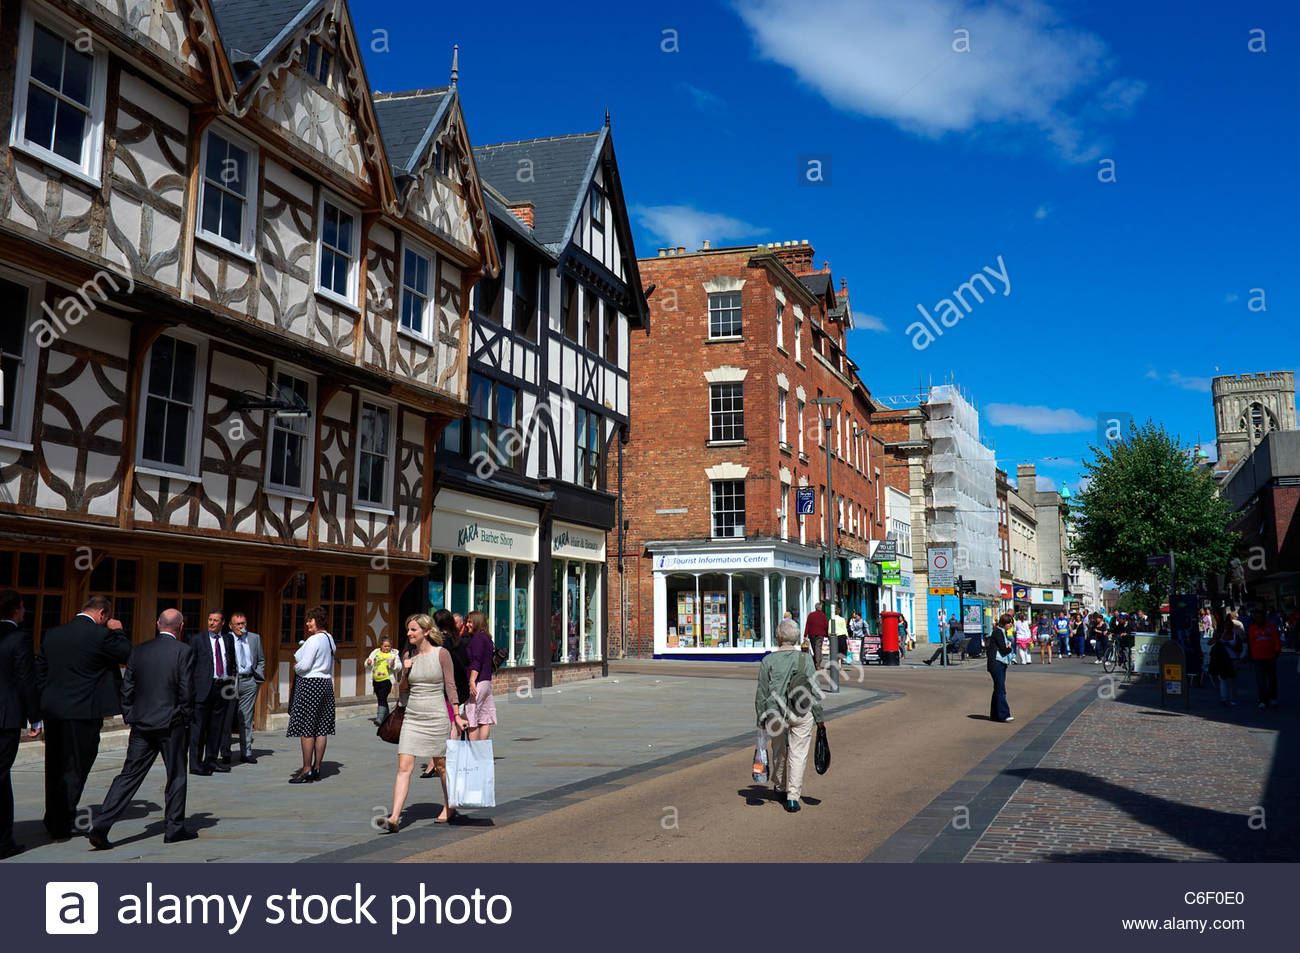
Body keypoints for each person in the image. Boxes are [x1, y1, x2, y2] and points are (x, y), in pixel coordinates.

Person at [87, 609, 197, 848]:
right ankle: (174, 828)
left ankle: (101, 824)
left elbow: (127, 688)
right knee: (176, 775)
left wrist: (130, 715)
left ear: (158, 624)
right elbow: (187, 690)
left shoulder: (139, 650)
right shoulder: (184, 651)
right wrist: (184, 716)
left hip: (142, 724)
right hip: (171, 724)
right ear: (180, 627)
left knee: (129, 775)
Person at [35, 595, 131, 840]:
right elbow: (126, 653)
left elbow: (41, 672)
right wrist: (118, 631)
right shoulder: (102, 635)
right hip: (83, 712)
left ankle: (53, 816)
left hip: (54, 711)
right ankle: (62, 822)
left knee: (54, 765)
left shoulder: (53, 633)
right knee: (76, 767)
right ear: (102, 614)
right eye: (106, 618)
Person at [380, 615, 468, 832]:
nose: (409, 633)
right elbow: (402, 690)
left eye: (413, 630)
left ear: (426, 631)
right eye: (408, 630)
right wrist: (405, 671)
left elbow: (450, 686)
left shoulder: (442, 654)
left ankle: (450, 806)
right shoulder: (408, 656)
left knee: (441, 766)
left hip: (437, 716)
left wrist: (456, 715)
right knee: (404, 767)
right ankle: (394, 817)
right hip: (413, 717)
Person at [755, 618, 824, 813]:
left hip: (775, 713)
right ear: (794, 639)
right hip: (802, 712)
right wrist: (820, 719)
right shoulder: (806, 659)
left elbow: (761, 693)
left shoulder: (768, 661)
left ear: (779, 637)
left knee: (779, 751)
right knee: (798, 753)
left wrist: (761, 718)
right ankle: (793, 797)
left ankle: (780, 786)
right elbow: (815, 691)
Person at [0, 590, 41, 858]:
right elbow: (26, 681)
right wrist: (34, 717)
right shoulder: (19, 638)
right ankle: (3, 841)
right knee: (2, 777)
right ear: (16, 610)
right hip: (5, 717)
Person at [287, 606, 336, 783]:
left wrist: (295, 667)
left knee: (307, 728)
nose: (307, 623)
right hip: (325, 683)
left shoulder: (314, 640)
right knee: (321, 727)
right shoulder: (329, 639)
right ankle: (317, 767)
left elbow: (304, 665)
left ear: (318, 620)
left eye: (310, 620)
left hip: (310, 683)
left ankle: (306, 768)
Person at [190, 609, 236, 776]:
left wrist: (230, 688)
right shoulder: (198, 640)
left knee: (216, 727)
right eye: (210, 619)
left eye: (215, 620)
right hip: (203, 689)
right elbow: (191, 665)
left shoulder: (227, 639)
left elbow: (231, 663)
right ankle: (195, 764)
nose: (211, 623)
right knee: (198, 728)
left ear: (222, 623)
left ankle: (211, 760)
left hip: (222, 687)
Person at [228, 612, 264, 765]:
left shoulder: (254, 638)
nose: (241, 627)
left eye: (243, 623)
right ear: (231, 626)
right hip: (231, 682)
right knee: (227, 718)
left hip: (249, 681)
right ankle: (225, 752)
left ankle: (246, 752)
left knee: (246, 717)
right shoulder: (227, 639)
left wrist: (258, 676)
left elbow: (261, 659)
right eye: (238, 624)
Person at [464, 610, 497, 741]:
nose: (467, 624)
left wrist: (472, 680)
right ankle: (482, 753)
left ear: (477, 622)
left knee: (472, 718)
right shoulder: (487, 639)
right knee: (484, 718)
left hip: (478, 682)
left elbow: (477, 661)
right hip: (486, 682)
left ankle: (474, 754)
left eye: (470, 622)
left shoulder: (477, 639)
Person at [1247, 607, 1282, 709]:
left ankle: (1273, 698)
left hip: (1270, 656)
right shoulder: (1252, 629)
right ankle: (1262, 700)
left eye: (1259, 617)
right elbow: (1251, 643)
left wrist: (1277, 651)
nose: (1258, 619)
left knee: (1272, 679)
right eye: (1256, 617)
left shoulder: (1271, 627)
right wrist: (1251, 655)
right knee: (1260, 680)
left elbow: (1276, 640)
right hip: (1258, 657)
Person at [986, 613, 1015, 722]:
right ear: (1004, 623)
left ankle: (995, 714)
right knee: (1001, 689)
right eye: (1009, 622)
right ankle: (1004, 714)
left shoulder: (1001, 632)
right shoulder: (998, 632)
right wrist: (1009, 648)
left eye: (1011, 622)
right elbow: (1003, 649)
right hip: (996, 663)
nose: (1011, 625)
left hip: (999, 663)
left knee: (997, 689)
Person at [365, 638, 400, 725]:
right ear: (381, 646)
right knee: (381, 699)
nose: (387, 648)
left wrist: (393, 665)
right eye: (385, 646)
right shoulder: (375, 652)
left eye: (388, 646)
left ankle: (379, 718)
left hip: (387, 680)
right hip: (376, 680)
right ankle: (387, 718)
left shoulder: (393, 654)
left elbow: (399, 667)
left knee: (382, 697)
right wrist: (368, 662)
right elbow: (368, 663)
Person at [1207, 622, 1238, 707]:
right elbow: (1209, 643)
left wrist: (1228, 645)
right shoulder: (1220, 635)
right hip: (1222, 660)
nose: (1227, 628)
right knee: (1222, 679)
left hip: (1232, 659)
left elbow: (1239, 649)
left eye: (1229, 626)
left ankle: (1232, 698)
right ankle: (1224, 698)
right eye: (1226, 626)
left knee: (1232, 680)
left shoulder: (1235, 636)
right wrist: (1216, 638)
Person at [803, 602, 829, 669]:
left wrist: (805, 635)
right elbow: (826, 626)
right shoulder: (824, 616)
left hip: (812, 634)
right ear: (820, 608)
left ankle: (816, 662)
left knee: (815, 647)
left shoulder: (811, 615)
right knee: (818, 648)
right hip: (820, 634)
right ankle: (817, 663)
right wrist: (827, 634)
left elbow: (807, 625)